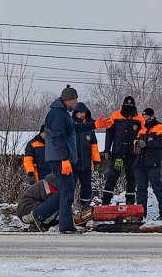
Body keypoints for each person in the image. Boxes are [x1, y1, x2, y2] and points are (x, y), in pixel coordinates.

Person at [43, 85, 80, 233]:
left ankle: (40, 214)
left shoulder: (62, 113)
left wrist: (95, 125)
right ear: (69, 100)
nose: (76, 102)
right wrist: (64, 159)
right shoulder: (59, 115)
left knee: (65, 191)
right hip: (60, 159)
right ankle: (66, 226)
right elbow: (58, 138)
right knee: (67, 191)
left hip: (60, 158)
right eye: (76, 99)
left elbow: (72, 129)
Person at [97, 96, 145, 205]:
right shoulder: (115, 115)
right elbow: (109, 134)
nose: (128, 106)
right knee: (112, 177)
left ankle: (130, 201)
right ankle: (105, 201)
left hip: (132, 154)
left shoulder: (139, 119)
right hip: (118, 154)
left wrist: (140, 143)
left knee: (131, 178)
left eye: (131, 105)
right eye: (127, 104)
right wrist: (107, 150)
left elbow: (143, 134)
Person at [134, 107, 162, 220]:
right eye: (143, 117)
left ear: (152, 116)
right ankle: (141, 214)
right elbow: (136, 141)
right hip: (140, 163)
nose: (145, 119)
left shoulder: (160, 127)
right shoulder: (142, 129)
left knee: (158, 189)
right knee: (140, 190)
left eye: (147, 117)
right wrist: (135, 144)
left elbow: (160, 143)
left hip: (153, 164)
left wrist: (146, 144)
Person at [73, 102, 100, 206]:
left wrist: (96, 160)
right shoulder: (71, 126)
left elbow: (94, 145)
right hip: (73, 164)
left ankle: (85, 207)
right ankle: (68, 208)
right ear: (75, 113)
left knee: (86, 187)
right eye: (80, 112)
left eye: (84, 112)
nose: (82, 114)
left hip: (86, 163)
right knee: (70, 187)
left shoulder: (89, 128)